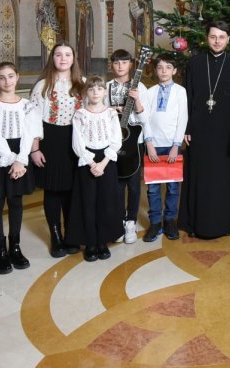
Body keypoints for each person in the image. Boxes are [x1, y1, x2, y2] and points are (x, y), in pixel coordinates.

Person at [180, 23, 230, 239]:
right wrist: (186, 127)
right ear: (206, 38)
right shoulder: (195, 63)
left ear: (228, 39)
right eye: (213, 36)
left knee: (221, 178)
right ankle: (194, 223)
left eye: (221, 37)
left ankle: (219, 224)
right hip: (198, 130)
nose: (217, 41)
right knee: (198, 175)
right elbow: (187, 97)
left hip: (226, 131)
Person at [0, 63, 41, 273]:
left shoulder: (26, 105)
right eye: (1, 77)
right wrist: (10, 157)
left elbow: (29, 132)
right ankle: (0, 250)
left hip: (20, 154)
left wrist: (21, 159)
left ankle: (15, 247)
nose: (7, 81)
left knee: (16, 201)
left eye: (10, 76)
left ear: (17, 77)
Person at [30, 43, 85, 257]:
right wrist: (35, 149)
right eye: (58, 55)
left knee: (72, 189)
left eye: (67, 54)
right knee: (53, 190)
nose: (63, 58)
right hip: (50, 139)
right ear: (52, 58)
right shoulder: (43, 85)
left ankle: (71, 234)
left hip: (75, 140)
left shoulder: (83, 84)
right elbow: (33, 120)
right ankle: (56, 235)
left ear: (74, 58)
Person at [69, 76, 123, 260]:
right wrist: (92, 164)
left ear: (104, 92)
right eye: (91, 89)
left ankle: (102, 240)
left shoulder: (111, 113)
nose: (95, 93)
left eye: (99, 89)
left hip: (106, 160)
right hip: (87, 161)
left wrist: (103, 163)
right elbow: (78, 142)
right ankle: (90, 242)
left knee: (105, 201)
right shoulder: (80, 114)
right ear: (86, 92)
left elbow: (116, 139)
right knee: (88, 202)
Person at [140, 54, 187, 241]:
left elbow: (182, 118)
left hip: (172, 147)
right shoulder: (149, 92)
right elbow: (145, 119)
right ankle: (155, 223)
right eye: (160, 67)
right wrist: (149, 143)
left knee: (173, 187)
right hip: (154, 146)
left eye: (168, 67)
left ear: (174, 71)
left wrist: (177, 145)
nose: (164, 71)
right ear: (155, 70)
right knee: (152, 188)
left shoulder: (180, 92)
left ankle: (169, 221)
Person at [107, 49, 146, 244]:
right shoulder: (105, 87)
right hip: (112, 143)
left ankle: (131, 221)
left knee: (133, 184)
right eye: (116, 62)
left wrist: (137, 99)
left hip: (133, 142)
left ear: (131, 64)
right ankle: (118, 220)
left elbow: (144, 119)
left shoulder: (140, 87)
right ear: (111, 65)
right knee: (115, 184)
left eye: (124, 62)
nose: (120, 66)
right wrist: (112, 110)